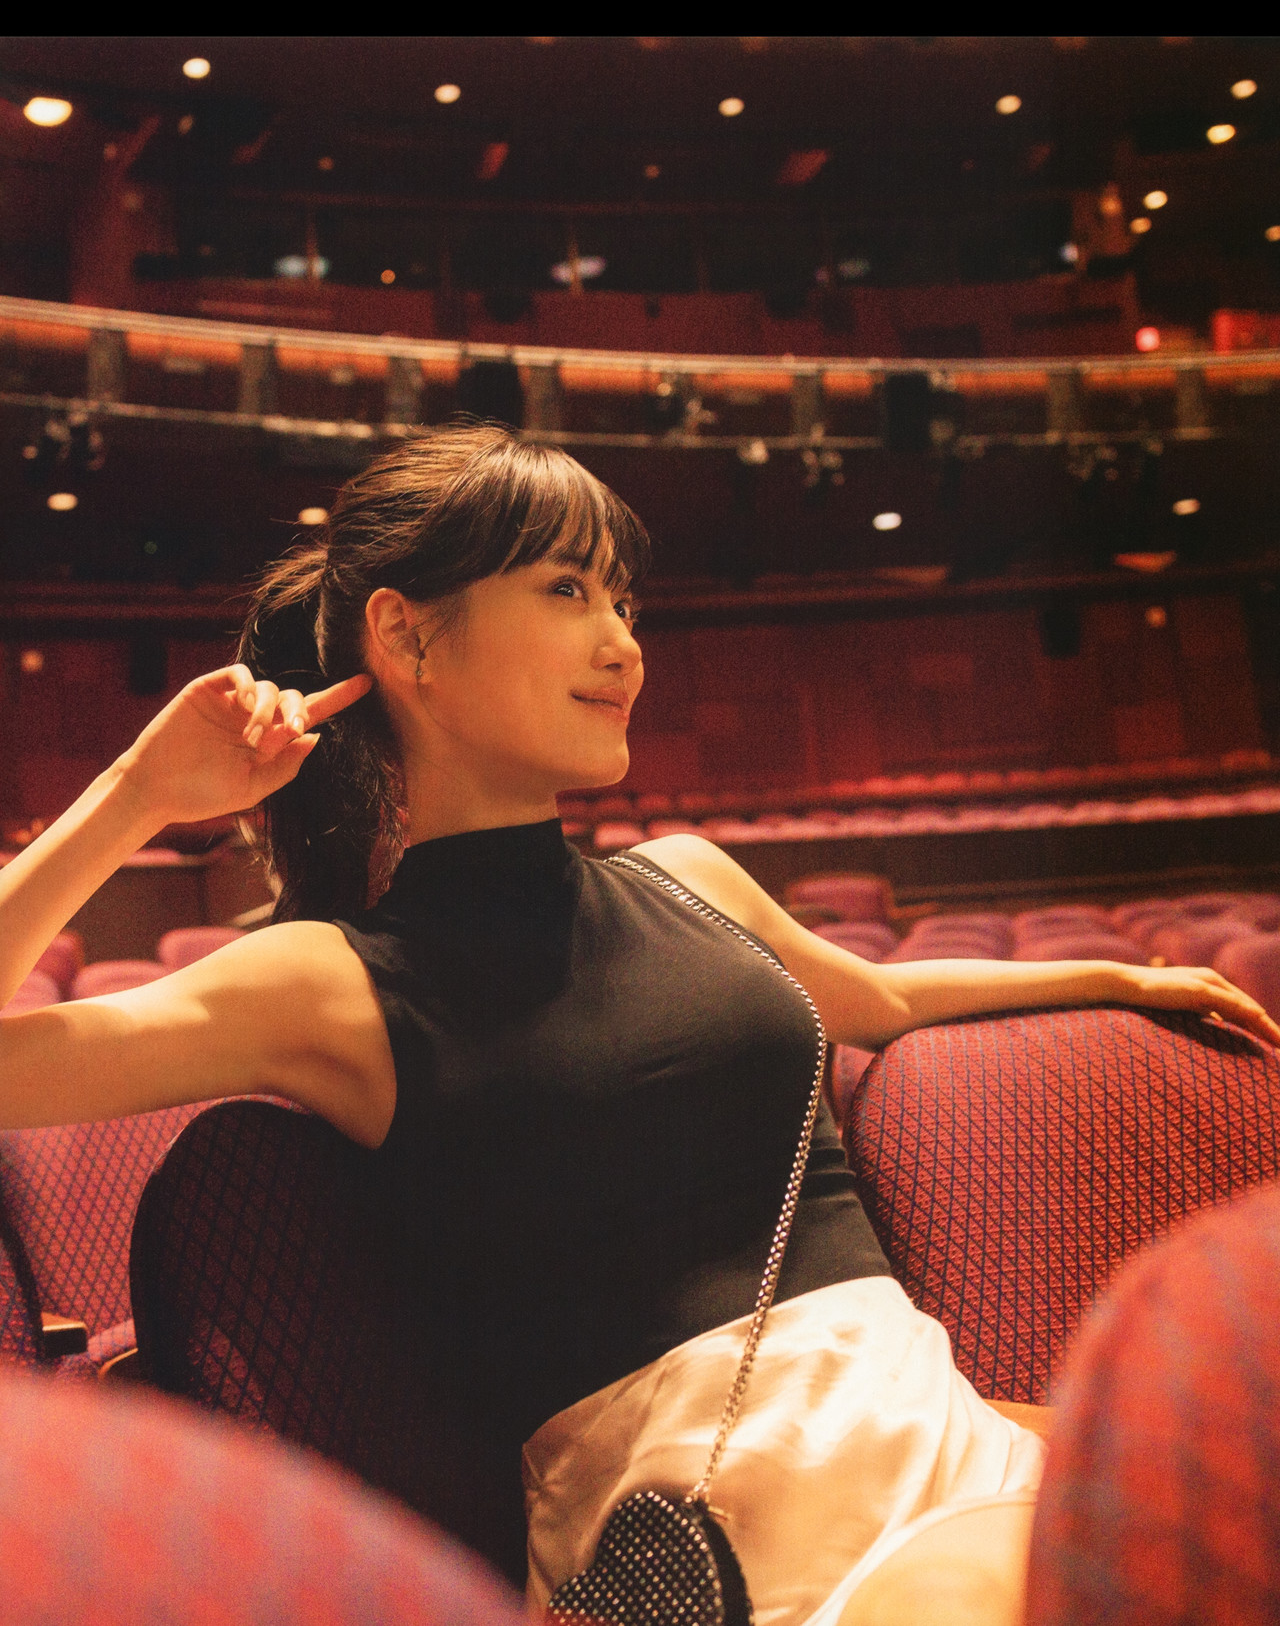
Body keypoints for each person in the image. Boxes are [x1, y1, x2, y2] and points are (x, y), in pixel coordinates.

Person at [0, 426, 1273, 1621]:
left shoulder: (688, 878)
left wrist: (1123, 980)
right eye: (567, 591)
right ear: (407, 638)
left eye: (623, 603)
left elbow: (878, 999)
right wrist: (136, 795)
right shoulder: (327, 982)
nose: (622, 645)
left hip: (932, 1427)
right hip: (711, 1531)